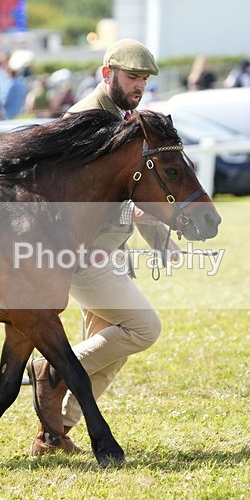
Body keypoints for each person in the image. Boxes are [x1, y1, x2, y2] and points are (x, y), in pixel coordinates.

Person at [27, 38, 182, 456]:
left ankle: (53, 435)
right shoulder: (86, 121)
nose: (140, 86)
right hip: (81, 253)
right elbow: (73, 203)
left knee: (110, 350)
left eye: (145, 79)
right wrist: (143, 222)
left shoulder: (121, 117)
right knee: (142, 328)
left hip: (107, 250)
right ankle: (50, 369)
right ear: (106, 73)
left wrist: (154, 233)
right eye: (133, 77)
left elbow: (125, 192)